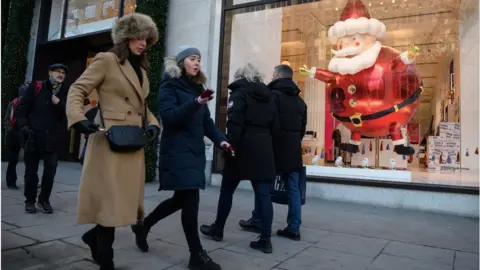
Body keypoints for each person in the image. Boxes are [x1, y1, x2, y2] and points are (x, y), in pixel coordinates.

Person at [65, 13, 160, 270]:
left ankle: (92, 239)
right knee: (109, 207)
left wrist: (153, 124)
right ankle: (106, 261)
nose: (143, 43)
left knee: (119, 206)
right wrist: (77, 118)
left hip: (132, 144)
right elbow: (78, 89)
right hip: (108, 141)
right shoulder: (107, 60)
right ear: (126, 38)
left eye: (146, 38)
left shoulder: (141, 69)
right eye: (138, 37)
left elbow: (143, 106)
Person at [130, 46, 229, 270]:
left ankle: (144, 226)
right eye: (192, 59)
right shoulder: (169, 85)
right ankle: (196, 254)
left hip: (193, 152)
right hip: (176, 151)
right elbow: (170, 117)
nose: (197, 63)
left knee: (181, 200)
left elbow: (206, 123)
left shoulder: (197, 88)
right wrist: (195, 103)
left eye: (199, 59)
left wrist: (221, 141)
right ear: (181, 62)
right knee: (190, 201)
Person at [200, 63, 279, 254]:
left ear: (240, 77)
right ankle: (265, 239)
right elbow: (276, 127)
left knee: (227, 189)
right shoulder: (270, 96)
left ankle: (218, 229)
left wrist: (229, 146)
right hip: (263, 149)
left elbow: (234, 124)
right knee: (264, 195)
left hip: (242, 148)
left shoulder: (239, 93)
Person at [237, 64, 307, 241]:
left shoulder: (272, 96)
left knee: (264, 186)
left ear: (276, 76)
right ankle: (294, 228)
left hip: (273, 147)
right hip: (293, 150)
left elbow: (268, 120)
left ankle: (259, 219)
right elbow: (302, 129)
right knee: (293, 189)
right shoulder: (301, 102)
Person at [15, 63, 68, 214]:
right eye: (57, 71)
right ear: (50, 73)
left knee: (50, 173)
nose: (60, 74)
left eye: (63, 72)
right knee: (31, 173)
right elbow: (22, 108)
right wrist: (25, 127)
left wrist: (59, 104)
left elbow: (69, 113)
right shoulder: (36, 87)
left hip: (52, 139)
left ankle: (44, 200)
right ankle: (30, 201)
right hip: (33, 137)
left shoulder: (65, 92)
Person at [3, 83, 29, 190]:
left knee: (30, 160)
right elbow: (7, 119)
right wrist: (10, 130)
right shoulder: (13, 104)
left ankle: (31, 182)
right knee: (13, 160)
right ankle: (11, 182)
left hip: (26, 134)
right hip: (14, 134)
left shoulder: (30, 105)